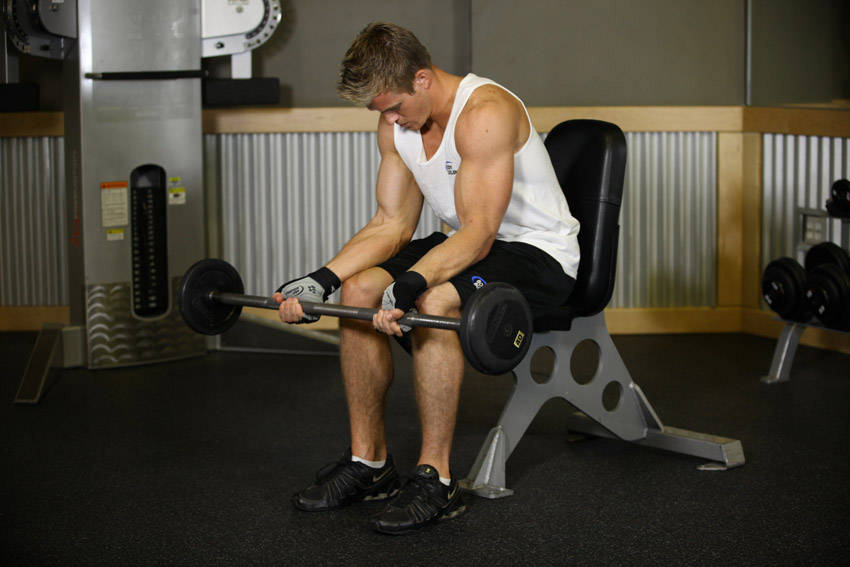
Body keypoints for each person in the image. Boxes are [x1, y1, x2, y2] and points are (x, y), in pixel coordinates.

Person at [274, 22, 580, 535]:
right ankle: (369, 462)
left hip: (536, 252)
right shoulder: (397, 124)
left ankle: (435, 477)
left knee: (435, 299)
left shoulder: (484, 112)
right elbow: (391, 224)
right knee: (359, 289)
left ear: (421, 78)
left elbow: (481, 234)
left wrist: (413, 284)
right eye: (380, 113)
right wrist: (319, 279)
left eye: (393, 106)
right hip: (472, 242)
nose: (390, 120)